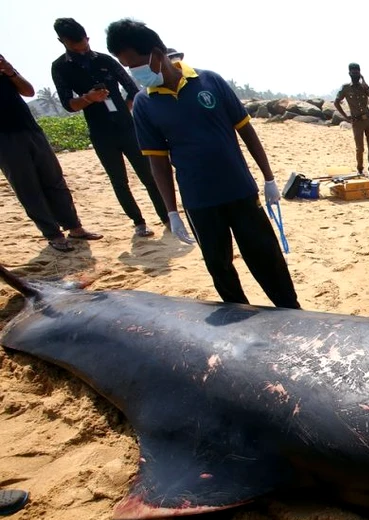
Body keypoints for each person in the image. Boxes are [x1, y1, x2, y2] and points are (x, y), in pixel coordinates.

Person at [106, 19, 300, 309]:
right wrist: (172, 211)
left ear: (157, 54)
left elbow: (246, 130)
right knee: (218, 264)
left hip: (240, 189)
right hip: (199, 200)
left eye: (135, 65)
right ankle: (237, 314)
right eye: (127, 67)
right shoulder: (145, 104)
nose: (135, 74)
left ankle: (290, 309)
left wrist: (268, 178)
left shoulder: (210, 81)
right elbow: (158, 162)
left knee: (265, 255)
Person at [51, 18, 169, 238]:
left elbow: (131, 88)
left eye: (85, 42)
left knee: (148, 174)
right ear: (62, 41)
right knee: (119, 180)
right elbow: (68, 104)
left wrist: (124, 109)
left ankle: (166, 218)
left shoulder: (105, 60)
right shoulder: (60, 67)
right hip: (100, 131)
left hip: (126, 127)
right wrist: (88, 98)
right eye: (76, 45)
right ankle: (139, 222)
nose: (83, 48)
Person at [0, 53, 102, 251]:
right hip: (4, 139)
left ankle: (74, 227)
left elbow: (29, 91)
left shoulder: (4, 68)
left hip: (30, 129)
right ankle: (53, 234)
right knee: (28, 187)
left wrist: (10, 72)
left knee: (54, 180)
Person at [334, 63, 369, 178]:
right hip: (357, 122)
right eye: (353, 72)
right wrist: (346, 117)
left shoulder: (364, 86)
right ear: (349, 73)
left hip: (368, 120)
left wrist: (366, 85)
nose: (355, 75)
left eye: (357, 72)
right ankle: (360, 170)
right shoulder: (345, 88)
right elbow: (336, 102)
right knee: (360, 148)